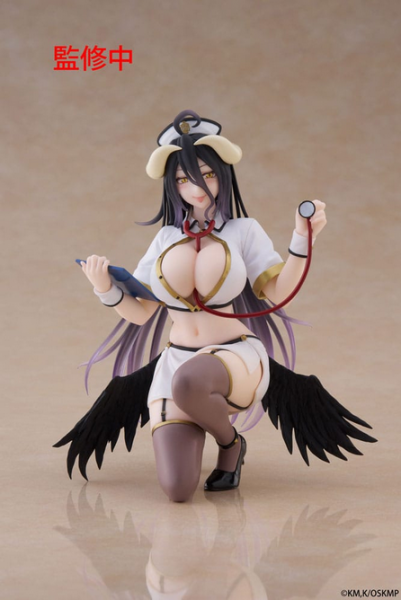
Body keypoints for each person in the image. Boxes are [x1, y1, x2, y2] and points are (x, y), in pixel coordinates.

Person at [54, 110, 376, 502]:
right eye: (183, 179)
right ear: (172, 185)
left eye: (206, 174)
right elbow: (141, 312)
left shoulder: (243, 230)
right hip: (176, 362)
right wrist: (104, 288)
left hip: (234, 359)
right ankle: (211, 431)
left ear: (223, 174)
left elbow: (278, 291)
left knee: (190, 381)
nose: (196, 187)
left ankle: (230, 444)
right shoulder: (166, 238)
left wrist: (301, 239)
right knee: (177, 489)